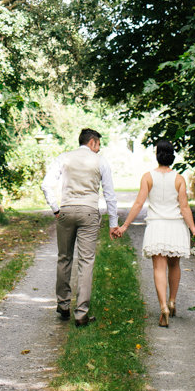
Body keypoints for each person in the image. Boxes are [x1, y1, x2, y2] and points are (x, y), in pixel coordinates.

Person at [116, 139, 195, 328]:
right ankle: (172, 301)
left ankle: (163, 307)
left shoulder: (147, 177)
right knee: (174, 265)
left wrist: (124, 226)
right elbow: (185, 207)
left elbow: (139, 204)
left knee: (158, 268)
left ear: (157, 155)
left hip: (156, 226)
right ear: (172, 156)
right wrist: (194, 231)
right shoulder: (179, 179)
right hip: (176, 227)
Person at [42, 127, 120, 327]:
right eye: (98, 145)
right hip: (88, 212)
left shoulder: (63, 157)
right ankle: (81, 314)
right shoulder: (101, 161)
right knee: (86, 261)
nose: (98, 149)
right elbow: (109, 194)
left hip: (66, 211)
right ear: (92, 142)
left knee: (64, 258)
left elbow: (46, 184)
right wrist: (113, 223)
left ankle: (63, 305)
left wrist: (55, 209)